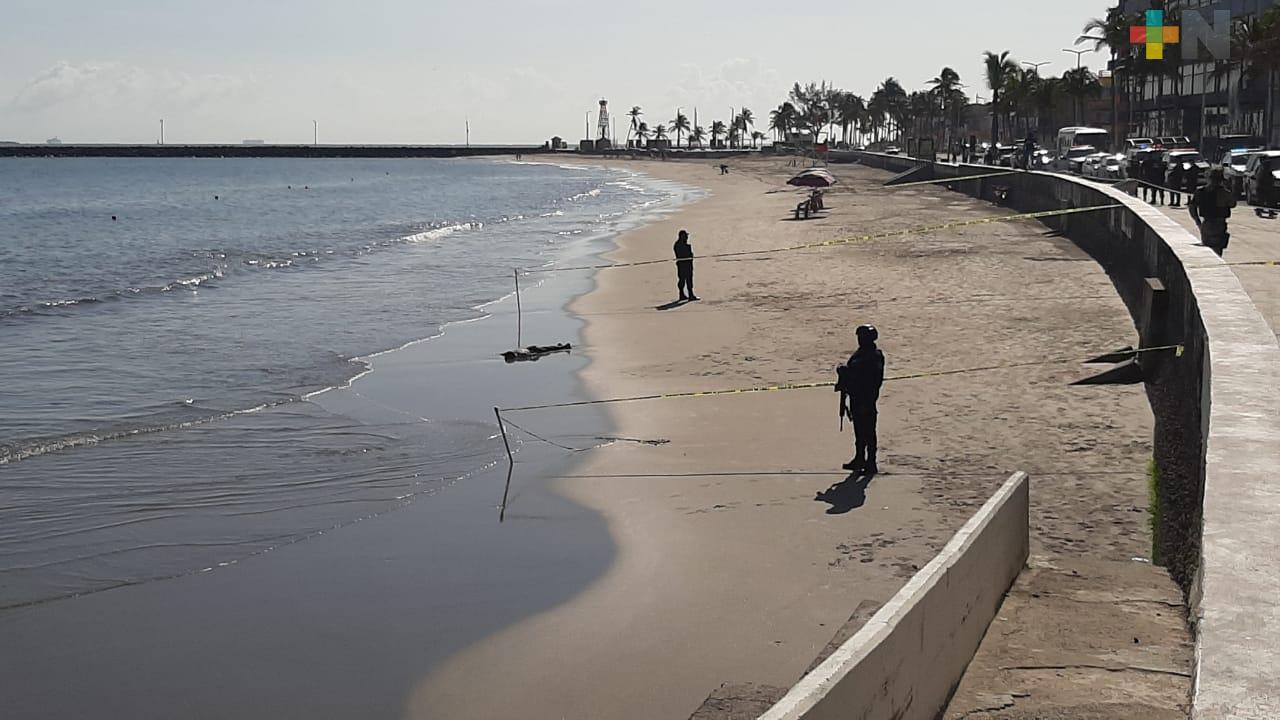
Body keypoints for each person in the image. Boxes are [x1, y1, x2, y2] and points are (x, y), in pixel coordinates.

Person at [837, 325, 885, 475]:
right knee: (860, 430)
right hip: (858, 396)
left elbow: (865, 376)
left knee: (868, 431)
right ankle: (860, 459)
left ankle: (870, 462)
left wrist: (845, 371)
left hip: (866, 398)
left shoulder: (872, 356)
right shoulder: (864, 354)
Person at [1189, 167, 1237, 256]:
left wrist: (1198, 222)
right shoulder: (1224, 192)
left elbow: (1192, 207)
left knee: (1208, 251)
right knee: (1217, 251)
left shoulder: (1200, 191)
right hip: (1219, 224)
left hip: (1206, 223)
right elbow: (1232, 204)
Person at [673, 230, 698, 301]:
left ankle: (685, 294)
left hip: (685, 264)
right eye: (686, 236)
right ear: (682, 236)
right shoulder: (679, 245)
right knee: (685, 279)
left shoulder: (680, 244)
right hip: (684, 265)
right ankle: (688, 295)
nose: (687, 237)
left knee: (685, 279)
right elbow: (683, 255)